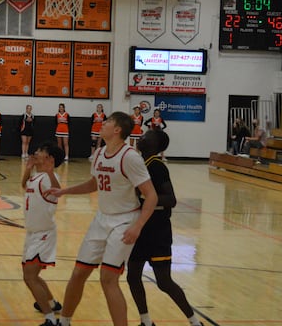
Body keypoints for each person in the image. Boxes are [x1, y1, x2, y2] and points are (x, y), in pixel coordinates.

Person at [47, 112, 158, 326]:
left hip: (125, 221)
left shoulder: (130, 157)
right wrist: (64, 191)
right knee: (79, 272)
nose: (102, 123)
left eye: (107, 122)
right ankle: (65, 322)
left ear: (117, 130)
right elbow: (94, 184)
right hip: (101, 219)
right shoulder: (98, 153)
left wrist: (138, 226)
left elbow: (151, 195)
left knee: (108, 278)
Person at [127, 130, 204, 326]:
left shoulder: (157, 166)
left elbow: (171, 199)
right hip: (140, 228)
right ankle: (146, 322)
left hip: (157, 231)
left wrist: (146, 196)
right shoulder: (140, 163)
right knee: (133, 276)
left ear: (156, 145)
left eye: (147, 136)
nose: (142, 137)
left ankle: (195, 321)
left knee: (163, 281)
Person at [21, 141, 65, 326]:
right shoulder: (37, 177)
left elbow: (58, 193)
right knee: (34, 276)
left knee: (29, 277)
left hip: (43, 234)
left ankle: (50, 319)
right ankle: (52, 304)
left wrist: (49, 171)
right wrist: (28, 168)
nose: (36, 152)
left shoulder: (49, 177)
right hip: (32, 233)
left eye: (40, 151)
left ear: (50, 159)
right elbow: (24, 185)